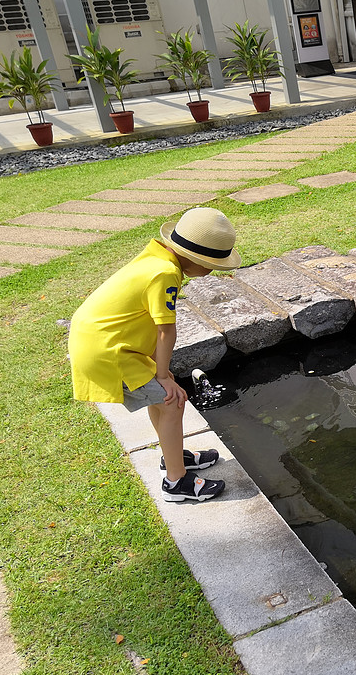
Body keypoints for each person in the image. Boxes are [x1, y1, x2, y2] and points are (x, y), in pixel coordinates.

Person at [69, 207, 241, 502]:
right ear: (193, 256)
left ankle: (172, 456)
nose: (212, 270)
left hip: (105, 342)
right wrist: (161, 375)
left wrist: (159, 371)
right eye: (211, 263)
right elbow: (165, 331)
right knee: (173, 402)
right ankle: (177, 483)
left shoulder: (156, 257)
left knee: (162, 400)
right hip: (108, 352)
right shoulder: (165, 274)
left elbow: (139, 318)